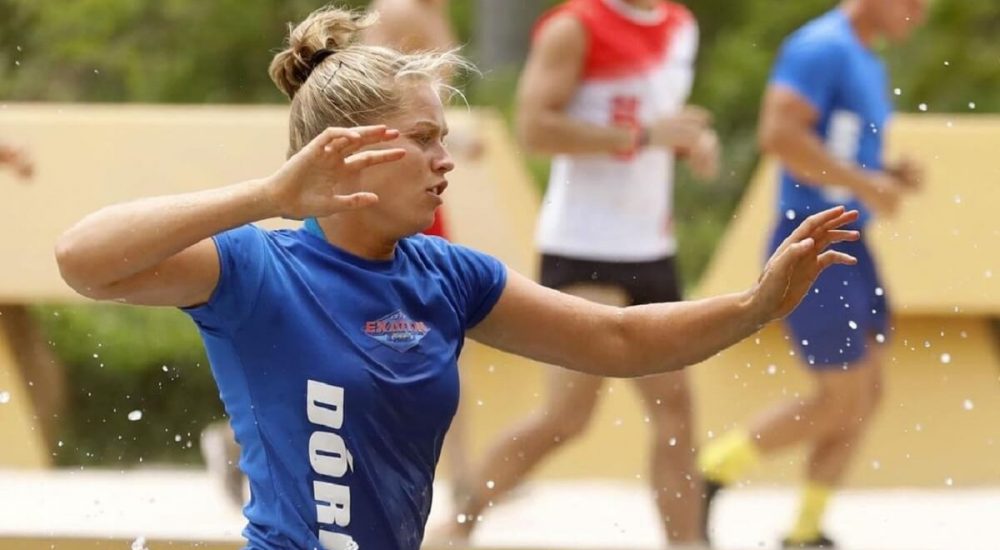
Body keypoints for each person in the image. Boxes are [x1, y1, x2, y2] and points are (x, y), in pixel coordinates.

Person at [55, 6, 860, 550]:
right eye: (422, 139)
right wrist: (269, 196)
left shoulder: (448, 276)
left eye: (443, 137)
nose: (444, 161)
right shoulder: (258, 268)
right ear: (350, 151)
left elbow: (618, 340)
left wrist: (756, 305)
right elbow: (83, 259)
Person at [442, 0, 719, 546]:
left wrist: (690, 142)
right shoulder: (576, 26)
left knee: (677, 414)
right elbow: (534, 128)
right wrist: (642, 137)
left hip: (651, 247)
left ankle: (686, 541)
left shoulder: (680, 26)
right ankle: (459, 525)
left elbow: (656, 122)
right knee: (566, 417)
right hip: (585, 246)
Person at [697, 1, 926, 547]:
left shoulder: (866, 56)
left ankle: (805, 530)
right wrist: (868, 185)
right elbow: (779, 134)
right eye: (913, 1)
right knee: (842, 397)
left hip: (852, 238)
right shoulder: (822, 46)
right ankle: (710, 469)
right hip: (812, 239)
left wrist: (885, 173)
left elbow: (834, 147)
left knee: (865, 394)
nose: (920, 13)